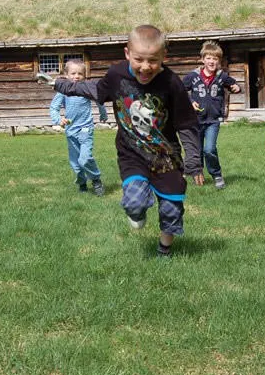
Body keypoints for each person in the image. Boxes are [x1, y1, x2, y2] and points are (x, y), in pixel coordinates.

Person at [48, 25, 202, 257]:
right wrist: (62, 85)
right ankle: (139, 212)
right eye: (139, 59)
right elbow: (93, 89)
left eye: (153, 61)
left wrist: (194, 161)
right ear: (127, 53)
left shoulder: (172, 83)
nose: (145, 67)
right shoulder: (117, 75)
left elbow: (186, 124)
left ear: (163, 57)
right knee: (133, 202)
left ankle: (164, 250)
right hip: (132, 154)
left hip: (166, 158)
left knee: (171, 208)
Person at [182, 40, 241, 189]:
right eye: (208, 58)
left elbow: (236, 86)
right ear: (202, 59)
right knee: (198, 150)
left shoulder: (222, 76)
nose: (211, 61)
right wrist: (189, 102)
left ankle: (216, 174)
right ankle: (197, 174)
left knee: (209, 149)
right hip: (195, 120)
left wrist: (235, 87)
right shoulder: (193, 76)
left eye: (215, 59)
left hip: (213, 120)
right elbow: (180, 91)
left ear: (219, 61)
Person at [49, 59, 109, 196]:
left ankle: (96, 180)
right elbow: (54, 108)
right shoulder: (63, 92)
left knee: (85, 158)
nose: (76, 76)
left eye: (80, 74)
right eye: (73, 73)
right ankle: (82, 182)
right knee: (75, 163)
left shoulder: (85, 89)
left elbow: (99, 99)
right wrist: (58, 119)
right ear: (66, 75)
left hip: (85, 129)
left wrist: (103, 113)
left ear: (84, 75)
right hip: (71, 131)